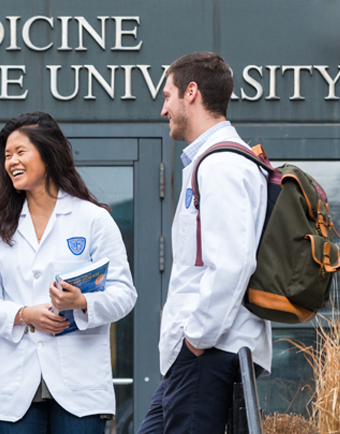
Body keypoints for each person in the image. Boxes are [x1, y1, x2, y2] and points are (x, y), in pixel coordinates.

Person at [0, 112, 137, 434]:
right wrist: (23, 313)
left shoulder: (92, 219)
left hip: (80, 384)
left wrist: (83, 301)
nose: (11, 162)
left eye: (20, 152)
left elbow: (124, 294)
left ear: (47, 153)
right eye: (7, 155)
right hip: (19, 384)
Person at [136, 52, 272, 434]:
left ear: (191, 92)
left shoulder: (222, 166)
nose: (164, 109)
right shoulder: (212, 162)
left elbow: (232, 263)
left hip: (209, 352)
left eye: (168, 96)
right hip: (199, 354)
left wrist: (195, 339)